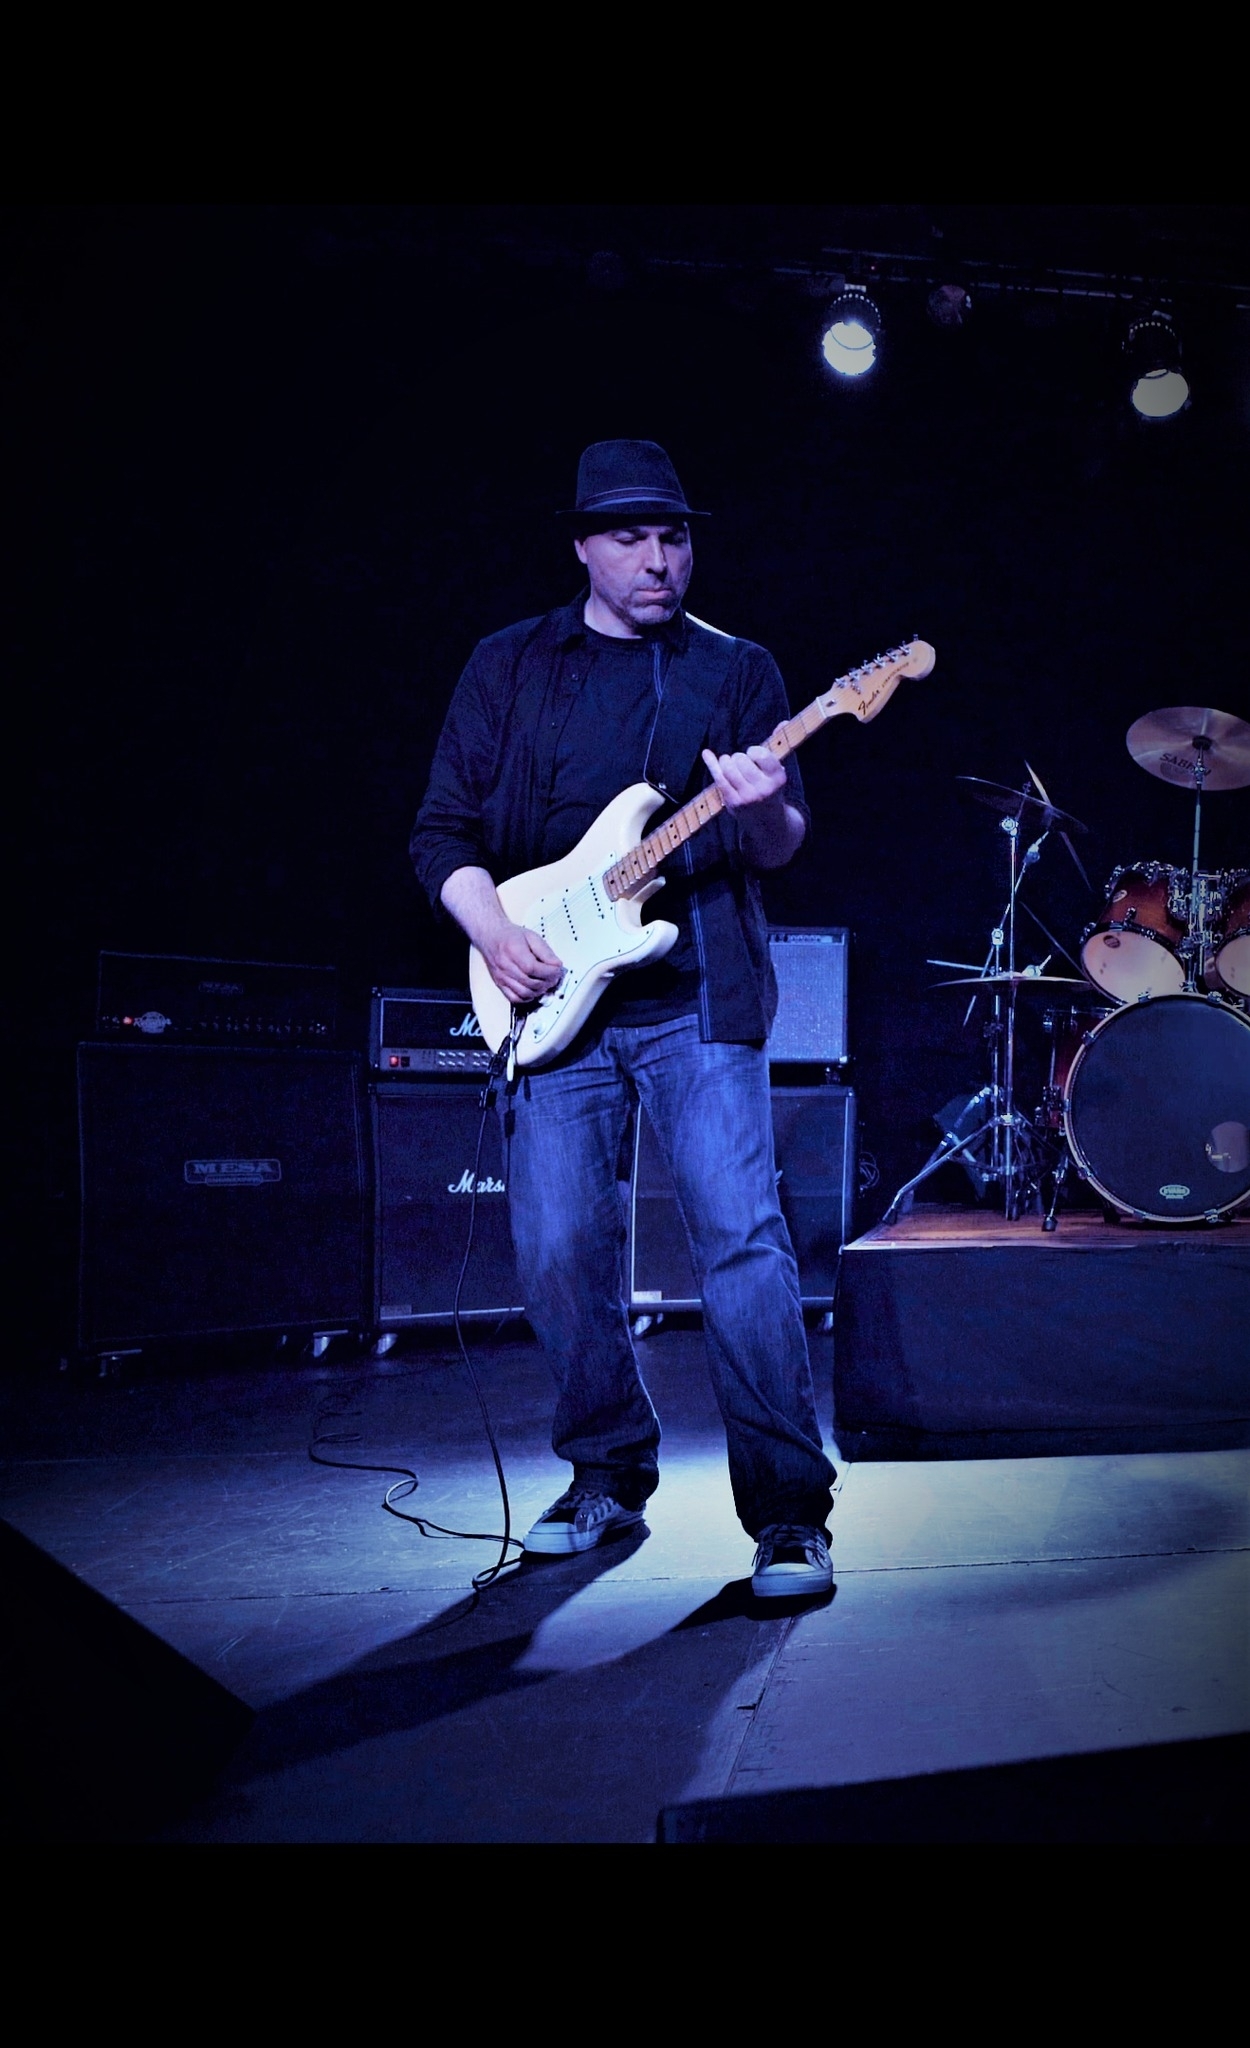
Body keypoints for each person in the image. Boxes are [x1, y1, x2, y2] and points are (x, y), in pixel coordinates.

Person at [411, 439, 835, 1596]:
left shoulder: (736, 669)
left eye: (675, 536)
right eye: (630, 537)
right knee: (556, 1246)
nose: (658, 559)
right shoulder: (507, 664)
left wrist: (757, 806)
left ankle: (788, 1513)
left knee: (741, 1243)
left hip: (695, 991)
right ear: (582, 546)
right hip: (549, 993)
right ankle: (605, 1471)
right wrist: (493, 932)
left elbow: (779, 842)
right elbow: (440, 832)